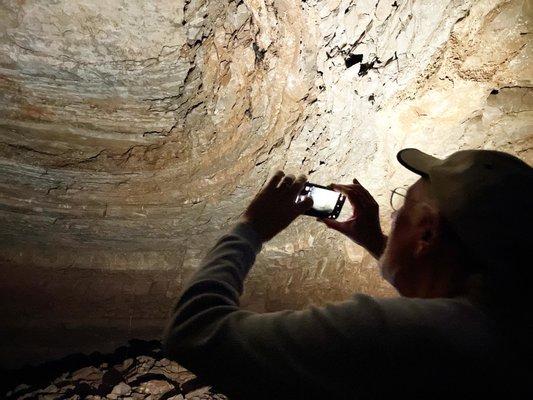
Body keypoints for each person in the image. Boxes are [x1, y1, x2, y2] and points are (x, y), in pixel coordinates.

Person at [164, 148, 532, 398]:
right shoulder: (512, 322)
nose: (392, 215)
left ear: (428, 232)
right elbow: (441, 296)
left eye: (401, 205)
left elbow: (196, 332)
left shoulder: (400, 335)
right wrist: (377, 242)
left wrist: (251, 229)